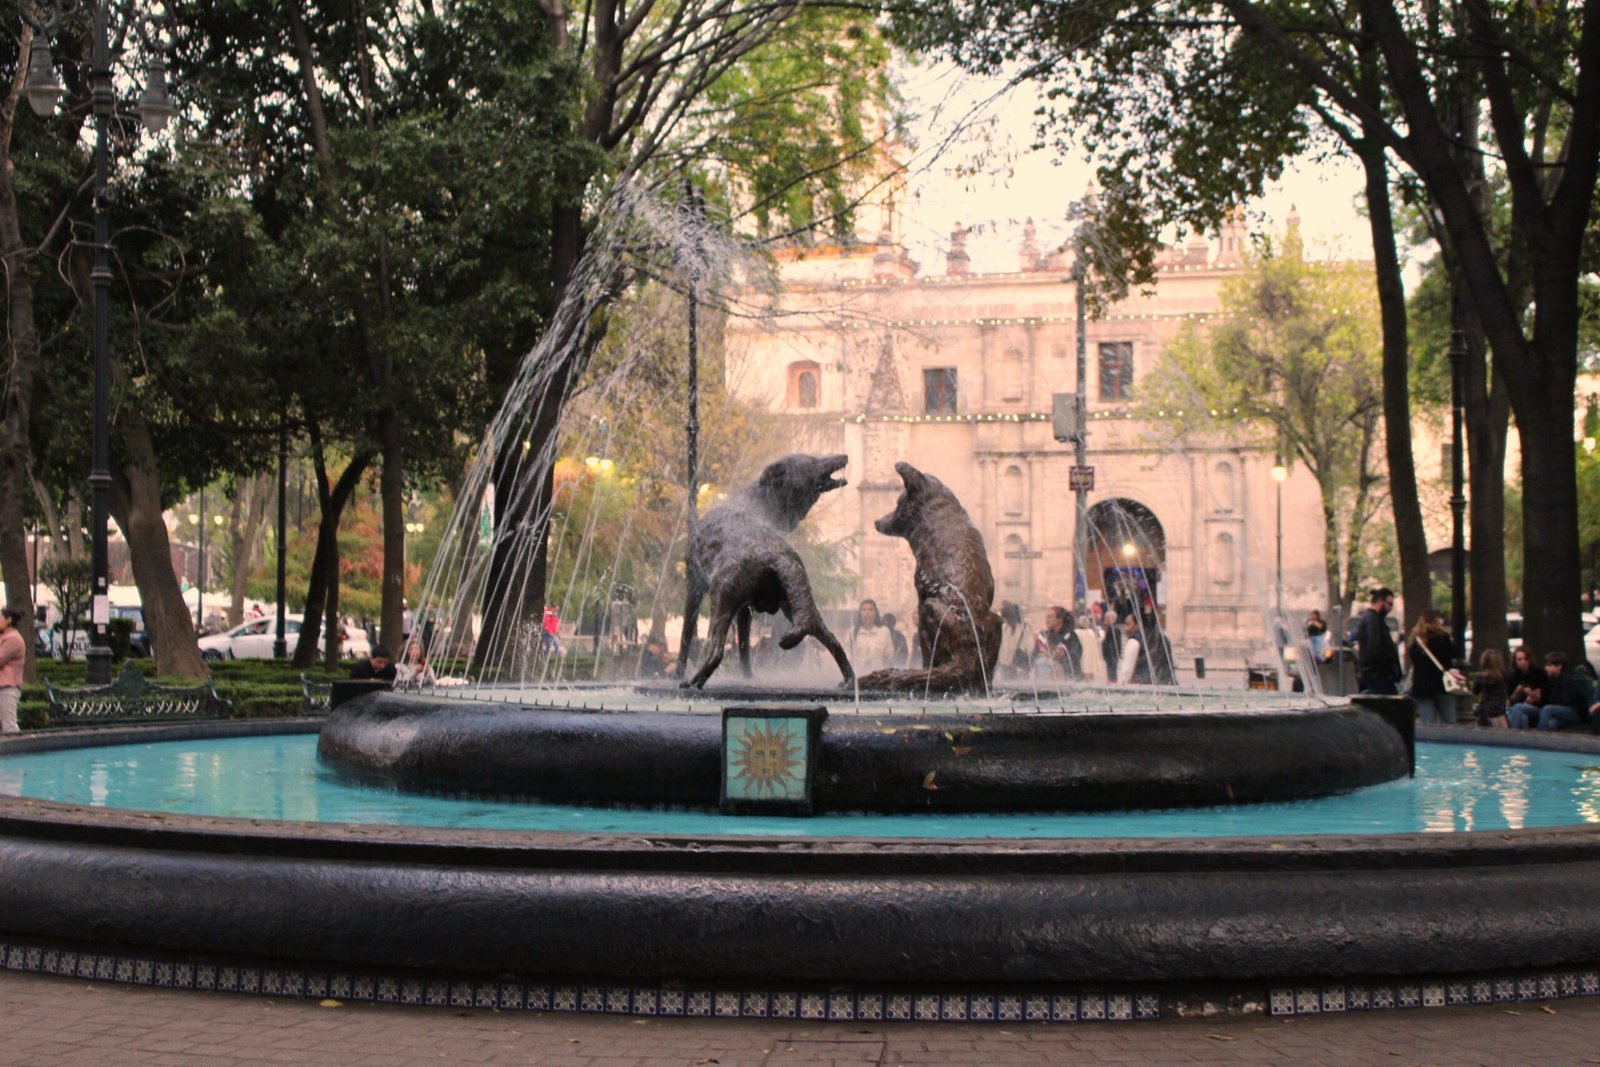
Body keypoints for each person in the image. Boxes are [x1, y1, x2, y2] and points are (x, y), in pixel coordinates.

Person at [1509, 651, 1590, 731]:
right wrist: (1536, 698)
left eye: (1549, 665)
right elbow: (1546, 700)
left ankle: (1539, 736)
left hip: (1572, 712)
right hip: (1551, 711)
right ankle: (1513, 735)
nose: (1545, 668)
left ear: (1559, 666)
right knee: (1518, 707)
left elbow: (1563, 701)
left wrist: (1544, 700)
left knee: (1548, 710)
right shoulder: (1550, 680)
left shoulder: (1567, 681)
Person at [1406, 609, 1458, 725]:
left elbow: (1414, 660)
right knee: (1450, 721)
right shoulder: (1443, 637)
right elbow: (1452, 655)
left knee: (1427, 722)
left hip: (1422, 686)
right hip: (1443, 684)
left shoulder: (1416, 641)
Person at [1354, 587, 1403, 695]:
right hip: (1378, 676)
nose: (1390, 608)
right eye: (1389, 604)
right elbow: (1375, 648)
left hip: (1378, 675)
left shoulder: (1373, 619)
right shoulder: (1372, 620)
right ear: (1380, 601)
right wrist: (1387, 669)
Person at [848, 599, 897, 674]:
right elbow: (847, 655)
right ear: (860, 613)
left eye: (870, 610)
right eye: (863, 610)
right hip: (859, 675)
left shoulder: (884, 632)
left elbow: (889, 655)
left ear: (876, 613)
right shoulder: (852, 632)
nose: (866, 613)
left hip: (878, 676)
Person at [1033, 605, 1082, 680]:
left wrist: (1064, 654)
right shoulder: (1044, 636)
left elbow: (1076, 654)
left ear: (1059, 619)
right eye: (1046, 617)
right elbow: (1033, 656)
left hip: (1067, 679)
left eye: (1050, 617)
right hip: (1045, 678)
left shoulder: (1071, 636)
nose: (1047, 620)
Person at [0, 608, 25, 733]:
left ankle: (18, 751)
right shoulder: (3, 637)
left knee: (9, 727)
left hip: (7, 688)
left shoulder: (12, 639)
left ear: (9, 620)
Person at [1473, 648, 1510, 728]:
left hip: (1485, 712)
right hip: (1500, 712)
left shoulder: (1480, 677)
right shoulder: (1504, 676)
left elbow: (1475, 691)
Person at [998, 602, 1032, 677]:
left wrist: (1007, 661)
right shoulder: (1005, 628)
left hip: (1013, 665)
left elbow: (1027, 649)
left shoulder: (1024, 629)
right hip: (1010, 665)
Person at [1116, 613, 1151, 684]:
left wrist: (1122, 683)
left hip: (1138, 681)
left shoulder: (1133, 640)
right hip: (1151, 680)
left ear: (1137, 625)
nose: (1125, 628)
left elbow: (1127, 669)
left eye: (1128, 624)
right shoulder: (1148, 636)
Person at [1100, 609, 1122, 681]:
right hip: (1111, 656)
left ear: (1112, 619)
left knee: (1112, 675)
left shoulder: (1113, 629)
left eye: (1106, 618)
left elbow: (1113, 643)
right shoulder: (1111, 628)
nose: (1105, 620)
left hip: (1112, 656)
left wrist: (1112, 656)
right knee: (1111, 674)